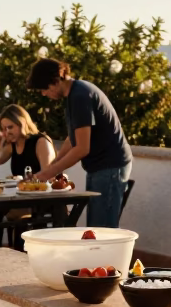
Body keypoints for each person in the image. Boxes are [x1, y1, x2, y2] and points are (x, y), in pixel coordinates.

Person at [28, 58, 133, 228]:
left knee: (101, 229)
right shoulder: (75, 93)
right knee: (95, 226)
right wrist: (54, 165)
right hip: (101, 167)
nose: (43, 94)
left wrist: (46, 174)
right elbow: (74, 137)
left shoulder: (80, 96)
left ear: (56, 81)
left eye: (44, 89)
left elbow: (82, 148)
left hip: (109, 167)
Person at [0, 104, 55, 247]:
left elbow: (50, 174)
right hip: (20, 197)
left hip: (40, 198)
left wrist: (31, 180)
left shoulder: (40, 141)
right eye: (3, 129)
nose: (7, 132)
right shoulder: (13, 145)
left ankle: (17, 253)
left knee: (15, 220)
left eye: (10, 127)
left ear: (22, 123)